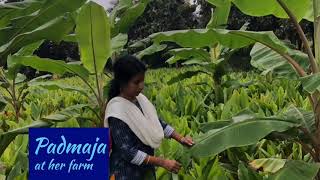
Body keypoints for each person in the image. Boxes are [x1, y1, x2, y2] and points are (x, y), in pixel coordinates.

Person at [104, 55, 194, 180]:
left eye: (142, 81)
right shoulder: (117, 112)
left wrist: (181, 139)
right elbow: (128, 153)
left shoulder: (140, 100)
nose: (141, 86)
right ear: (122, 82)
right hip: (125, 173)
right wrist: (162, 162)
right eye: (136, 82)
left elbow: (157, 123)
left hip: (145, 168)